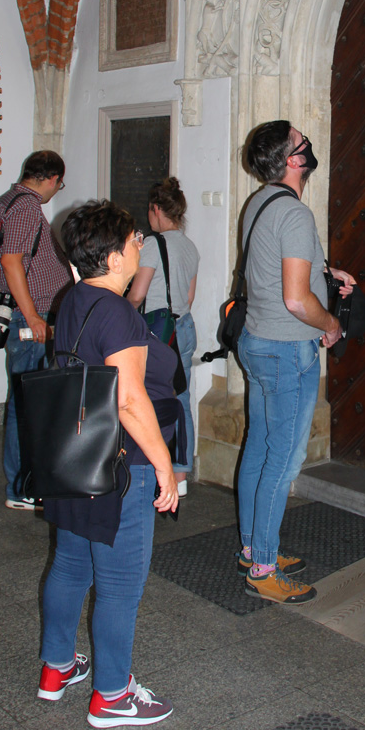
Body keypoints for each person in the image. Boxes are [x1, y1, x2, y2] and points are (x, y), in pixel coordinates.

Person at [37, 200, 185, 729]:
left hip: (76, 455)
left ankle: (56, 667)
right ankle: (113, 696)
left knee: (70, 565)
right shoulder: (118, 312)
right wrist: (164, 465)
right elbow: (129, 399)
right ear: (115, 257)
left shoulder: (72, 299)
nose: (140, 244)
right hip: (122, 464)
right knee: (119, 585)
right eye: (133, 239)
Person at [236, 121, 356, 604]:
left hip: (258, 343)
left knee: (259, 449)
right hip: (287, 350)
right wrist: (331, 323)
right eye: (302, 140)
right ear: (293, 160)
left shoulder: (260, 202)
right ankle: (263, 570)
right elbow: (295, 298)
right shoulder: (295, 213)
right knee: (284, 462)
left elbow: (276, 265)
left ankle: (252, 548)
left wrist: (327, 273)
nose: (309, 142)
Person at [0, 150, 72, 510]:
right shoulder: (26, 207)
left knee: (25, 400)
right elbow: (10, 262)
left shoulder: (3, 202)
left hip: (24, 312)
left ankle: (25, 483)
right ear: (51, 179)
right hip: (30, 318)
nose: (56, 190)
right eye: (58, 185)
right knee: (28, 404)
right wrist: (33, 315)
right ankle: (22, 487)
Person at [127, 177, 199, 497]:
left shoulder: (154, 245)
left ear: (156, 209)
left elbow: (137, 295)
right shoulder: (190, 246)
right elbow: (189, 297)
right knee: (181, 398)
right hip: (183, 327)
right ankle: (180, 476)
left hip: (157, 331)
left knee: (148, 399)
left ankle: (149, 466)